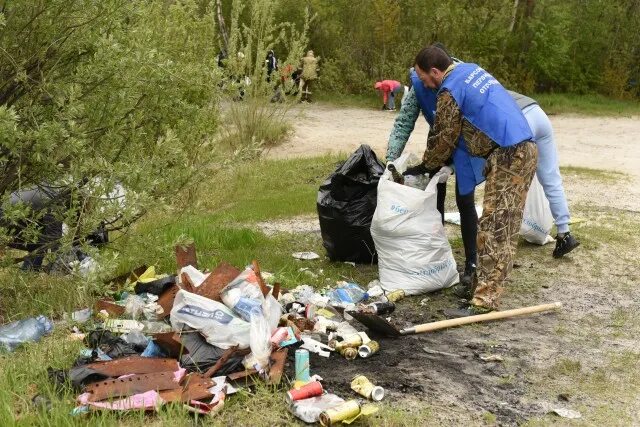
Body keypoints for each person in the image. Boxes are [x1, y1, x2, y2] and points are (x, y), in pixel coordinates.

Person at [405, 45, 538, 314]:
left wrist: (426, 166)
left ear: (434, 71)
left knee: (496, 229)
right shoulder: (471, 70)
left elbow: (444, 137)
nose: (424, 85)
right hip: (522, 148)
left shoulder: (449, 90)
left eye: (423, 78)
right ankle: (480, 287)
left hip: (510, 154)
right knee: (501, 224)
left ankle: (484, 301)